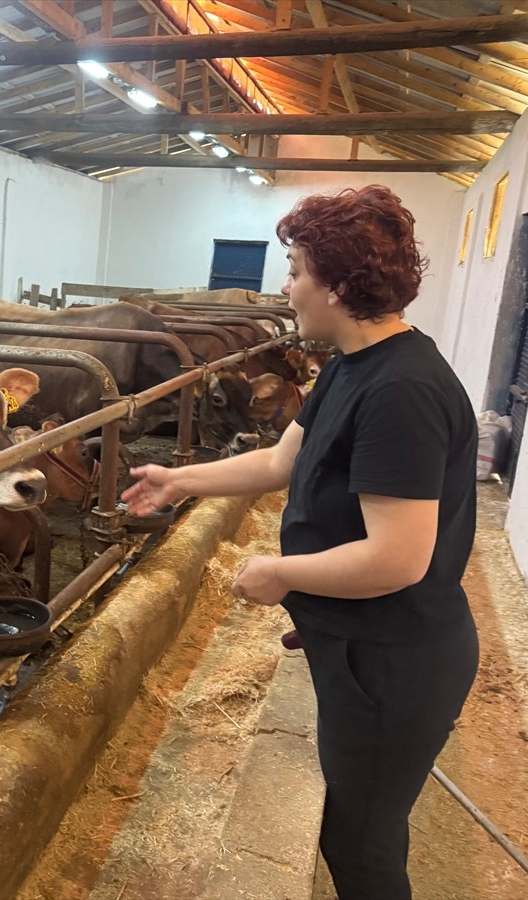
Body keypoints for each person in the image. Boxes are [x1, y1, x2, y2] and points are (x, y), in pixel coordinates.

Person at [123, 184, 479, 899]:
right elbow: (278, 462)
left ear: (339, 283)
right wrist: (179, 480)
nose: (284, 287)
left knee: (361, 846)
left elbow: (397, 558)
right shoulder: (352, 366)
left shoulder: (399, 391)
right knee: (362, 823)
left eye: (293, 269)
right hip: (360, 647)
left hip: (393, 660)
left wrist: (281, 571)